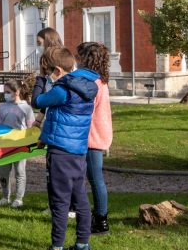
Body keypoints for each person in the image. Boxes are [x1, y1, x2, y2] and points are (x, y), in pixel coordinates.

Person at [33, 47, 100, 250]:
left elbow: (36, 101)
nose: (47, 74)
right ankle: (82, 244)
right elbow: (61, 120)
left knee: (59, 202)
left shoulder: (62, 91)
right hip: (78, 152)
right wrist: (44, 138)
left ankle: (57, 246)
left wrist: (40, 80)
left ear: (58, 70)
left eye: (49, 71)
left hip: (60, 154)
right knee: (80, 200)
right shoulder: (87, 87)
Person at [76, 42, 113, 235]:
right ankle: (97, 216)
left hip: (92, 135)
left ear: (86, 59)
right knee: (93, 178)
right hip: (98, 133)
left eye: (79, 57)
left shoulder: (92, 84)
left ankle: (101, 220)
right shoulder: (101, 80)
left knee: (95, 178)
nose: (76, 60)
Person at [0, 79, 35, 209]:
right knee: (3, 172)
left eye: (8, 92)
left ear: (17, 92)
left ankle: (19, 199)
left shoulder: (26, 108)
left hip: (20, 146)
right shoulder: (3, 107)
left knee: (20, 172)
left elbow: (31, 128)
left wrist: (28, 143)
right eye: (4, 92)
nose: (5, 94)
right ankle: (5, 197)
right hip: (4, 145)